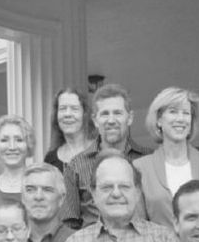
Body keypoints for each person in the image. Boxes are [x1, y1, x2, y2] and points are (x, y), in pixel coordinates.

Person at [61, 82, 148, 227]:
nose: (111, 120)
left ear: (130, 118)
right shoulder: (76, 166)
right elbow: (69, 223)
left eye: (117, 113)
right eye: (105, 114)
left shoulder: (147, 160)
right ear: (95, 120)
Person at [134, 86, 199, 228]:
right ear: (159, 120)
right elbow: (138, 224)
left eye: (186, 113)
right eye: (173, 112)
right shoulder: (140, 168)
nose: (180, 119)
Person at [22, 162, 75, 242]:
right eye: (30, 190)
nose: (38, 197)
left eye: (47, 190)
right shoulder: (9, 241)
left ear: (61, 199)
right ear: (22, 198)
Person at [42, 85, 94, 171]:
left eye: (74, 109)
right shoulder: (50, 159)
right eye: (62, 109)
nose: (67, 114)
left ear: (85, 114)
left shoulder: (98, 153)